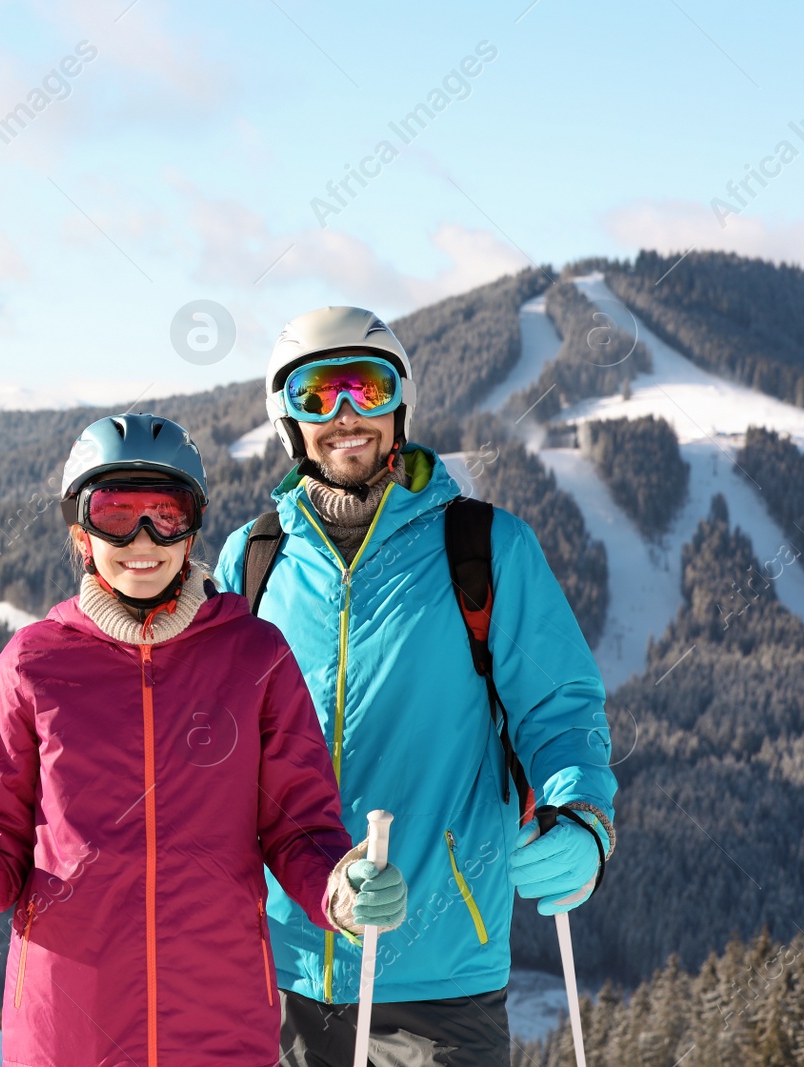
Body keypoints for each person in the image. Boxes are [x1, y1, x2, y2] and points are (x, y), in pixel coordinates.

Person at [0, 413, 409, 1067]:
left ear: (193, 524)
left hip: (220, 1033)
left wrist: (340, 888)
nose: (143, 538)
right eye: (116, 513)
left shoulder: (254, 656)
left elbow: (298, 831)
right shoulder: (32, 664)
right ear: (80, 531)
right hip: (67, 1034)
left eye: (165, 513)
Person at [214, 307, 618, 1066]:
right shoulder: (253, 561)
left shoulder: (484, 546)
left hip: (440, 973)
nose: (345, 415)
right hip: (278, 964)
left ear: (399, 406)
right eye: (316, 394)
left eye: (367, 388)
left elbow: (561, 711)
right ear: (287, 420)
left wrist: (582, 814)